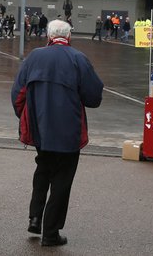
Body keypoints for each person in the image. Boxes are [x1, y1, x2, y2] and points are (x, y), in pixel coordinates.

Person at [12, 20, 103, 248]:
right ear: (69, 36)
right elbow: (93, 96)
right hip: (68, 130)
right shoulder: (78, 58)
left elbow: (18, 94)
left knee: (43, 169)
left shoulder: (34, 57)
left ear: (48, 36)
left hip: (40, 128)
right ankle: (50, 233)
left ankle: (35, 217)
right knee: (62, 181)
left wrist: (26, 117)